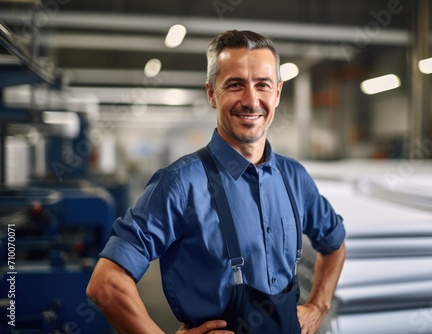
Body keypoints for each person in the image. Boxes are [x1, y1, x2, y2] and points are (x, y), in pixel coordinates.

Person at [86, 29, 346, 334]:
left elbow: (335, 243)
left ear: (277, 92)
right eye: (235, 85)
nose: (251, 100)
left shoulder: (294, 178)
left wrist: (318, 305)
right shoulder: (180, 184)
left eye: (262, 85)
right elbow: (106, 283)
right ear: (212, 93)